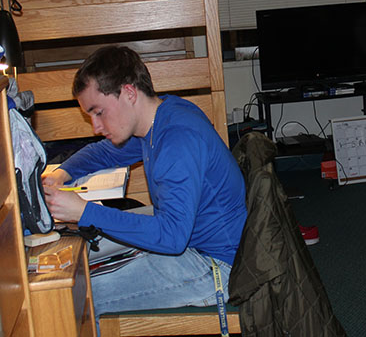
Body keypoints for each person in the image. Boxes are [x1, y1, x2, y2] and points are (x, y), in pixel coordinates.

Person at [42, 45, 247, 332]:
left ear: (129, 92)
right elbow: (106, 153)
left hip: (215, 267)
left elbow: (173, 238)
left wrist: (85, 211)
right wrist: (63, 173)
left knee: (79, 298)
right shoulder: (163, 115)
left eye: (98, 112)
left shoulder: (176, 141)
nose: (96, 126)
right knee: (86, 259)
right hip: (190, 239)